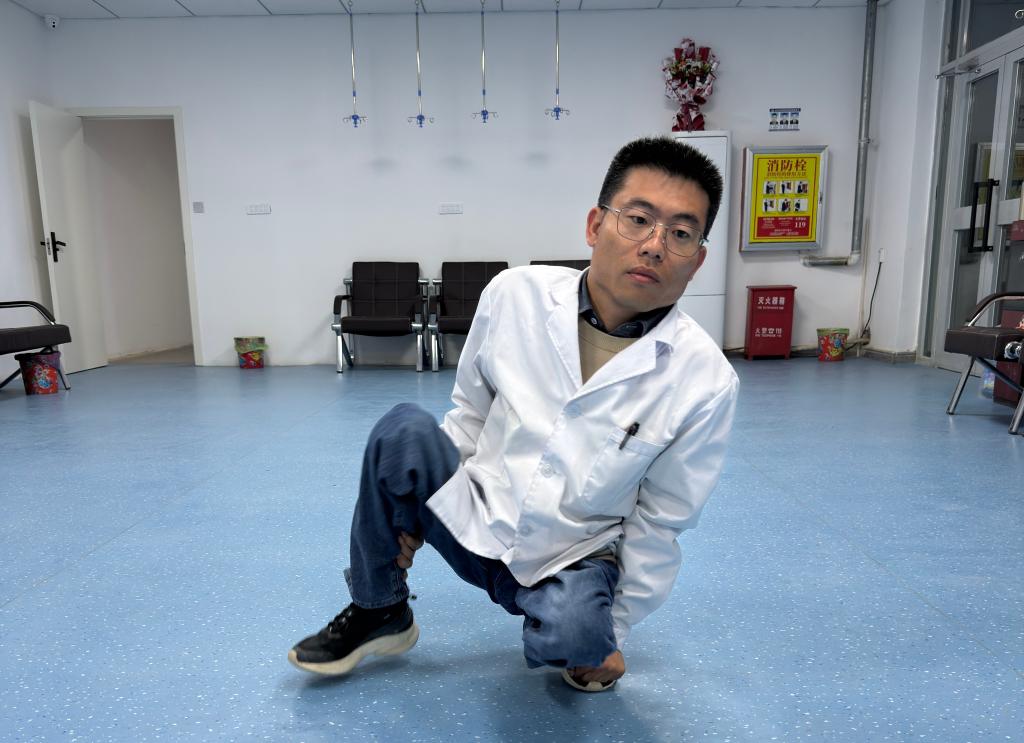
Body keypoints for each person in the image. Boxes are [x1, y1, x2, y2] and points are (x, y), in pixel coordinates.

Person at [289, 136, 739, 692]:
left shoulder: (704, 380)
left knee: (579, 639)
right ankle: (380, 608)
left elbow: (661, 522)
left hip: (572, 555)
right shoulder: (514, 295)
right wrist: (417, 514)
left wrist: (612, 631)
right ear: (596, 225)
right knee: (401, 430)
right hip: (481, 511)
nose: (653, 246)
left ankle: (578, 629)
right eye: (638, 219)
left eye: (681, 233)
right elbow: (469, 416)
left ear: (697, 261)